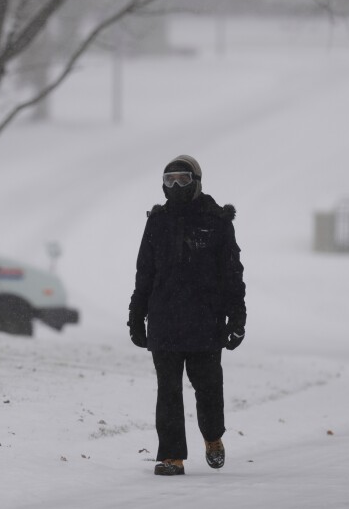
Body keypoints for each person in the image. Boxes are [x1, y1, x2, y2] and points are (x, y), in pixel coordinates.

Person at [128, 154, 246, 476]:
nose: (176, 185)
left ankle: (212, 437)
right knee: (168, 391)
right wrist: (136, 315)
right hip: (164, 321)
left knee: (207, 388)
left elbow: (232, 273)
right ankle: (171, 456)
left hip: (205, 323)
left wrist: (237, 318)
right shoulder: (157, 221)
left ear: (196, 181)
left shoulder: (217, 221)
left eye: (183, 179)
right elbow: (144, 273)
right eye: (170, 180)